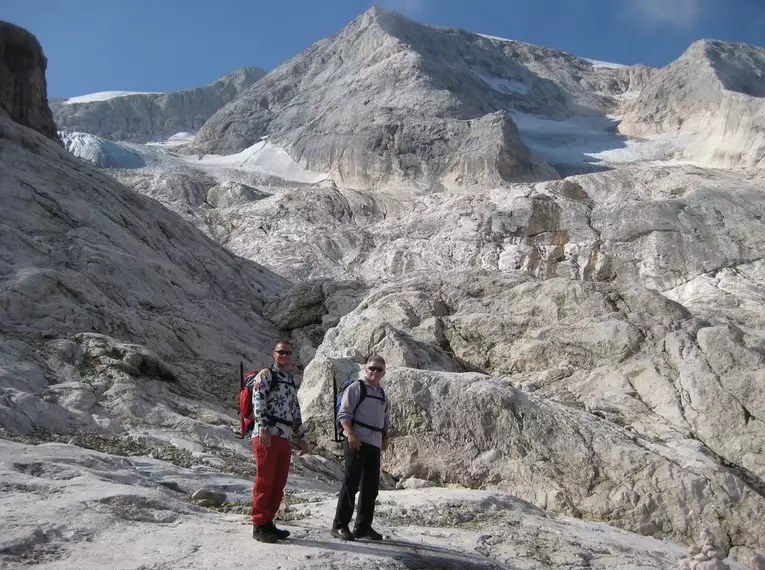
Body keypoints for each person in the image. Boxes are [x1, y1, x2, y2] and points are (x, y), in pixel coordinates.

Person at [251, 340, 309, 543]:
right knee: (265, 480)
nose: (285, 356)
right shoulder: (266, 375)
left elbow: (296, 410)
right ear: (274, 354)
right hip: (267, 434)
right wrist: (263, 428)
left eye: (288, 353)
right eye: (281, 352)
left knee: (278, 483)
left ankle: (268, 522)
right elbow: (258, 400)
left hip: (284, 436)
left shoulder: (290, 381)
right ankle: (259, 524)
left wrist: (301, 437)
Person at [331, 355, 391, 541]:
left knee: (370, 487)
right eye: (372, 368)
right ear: (366, 370)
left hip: (373, 443)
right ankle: (340, 525)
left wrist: (385, 437)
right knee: (351, 484)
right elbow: (344, 413)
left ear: (383, 373)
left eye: (379, 369)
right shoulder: (357, 387)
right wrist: (350, 434)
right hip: (356, 441)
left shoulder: (382, 394)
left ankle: (363, 527)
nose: (375, 372)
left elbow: (385, 418)